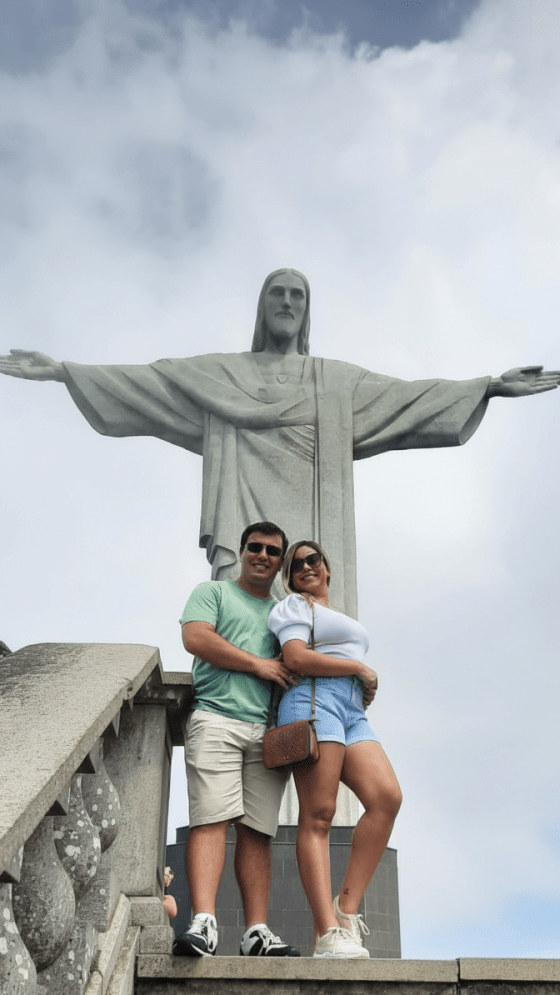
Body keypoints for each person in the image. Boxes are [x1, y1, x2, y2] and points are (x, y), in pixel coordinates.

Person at [2, 268, 558, 616]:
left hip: (314, 509)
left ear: (306, 310)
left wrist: (489, 386)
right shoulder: (222, 373)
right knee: (243, 614)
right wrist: (62, 371)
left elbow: (408, 398)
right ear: (263, 307)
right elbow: (151, 382)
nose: (287, 302)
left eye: (297, 295)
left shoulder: (334, 381)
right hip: (243, 508)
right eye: (277, 293)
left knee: (310, 610)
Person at [267, 539, 402, 959]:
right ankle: (326, 932)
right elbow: (296, 658)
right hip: (313, 701)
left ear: (327, 568)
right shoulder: (294, 607)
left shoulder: (335, 615)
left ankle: (345, 911)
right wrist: (359, 668)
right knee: (319, 814)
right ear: (290, 578)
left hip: (351, 709)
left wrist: (359, 682)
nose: (306, 566)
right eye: (296, 564)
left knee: (386, 798)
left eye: (314, 559)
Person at [173, 520, 301, 958]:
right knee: (210, 819)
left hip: (268, 733)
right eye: (255, 547)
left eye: (272, 551)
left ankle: (256, 933)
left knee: (258, 832)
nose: (262, 556)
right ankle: (204, 922)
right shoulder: (214, 593)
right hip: (216, 718)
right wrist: (258, 664)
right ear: (242, 551)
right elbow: (196, 637)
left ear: (281, 562)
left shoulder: (285, 612)